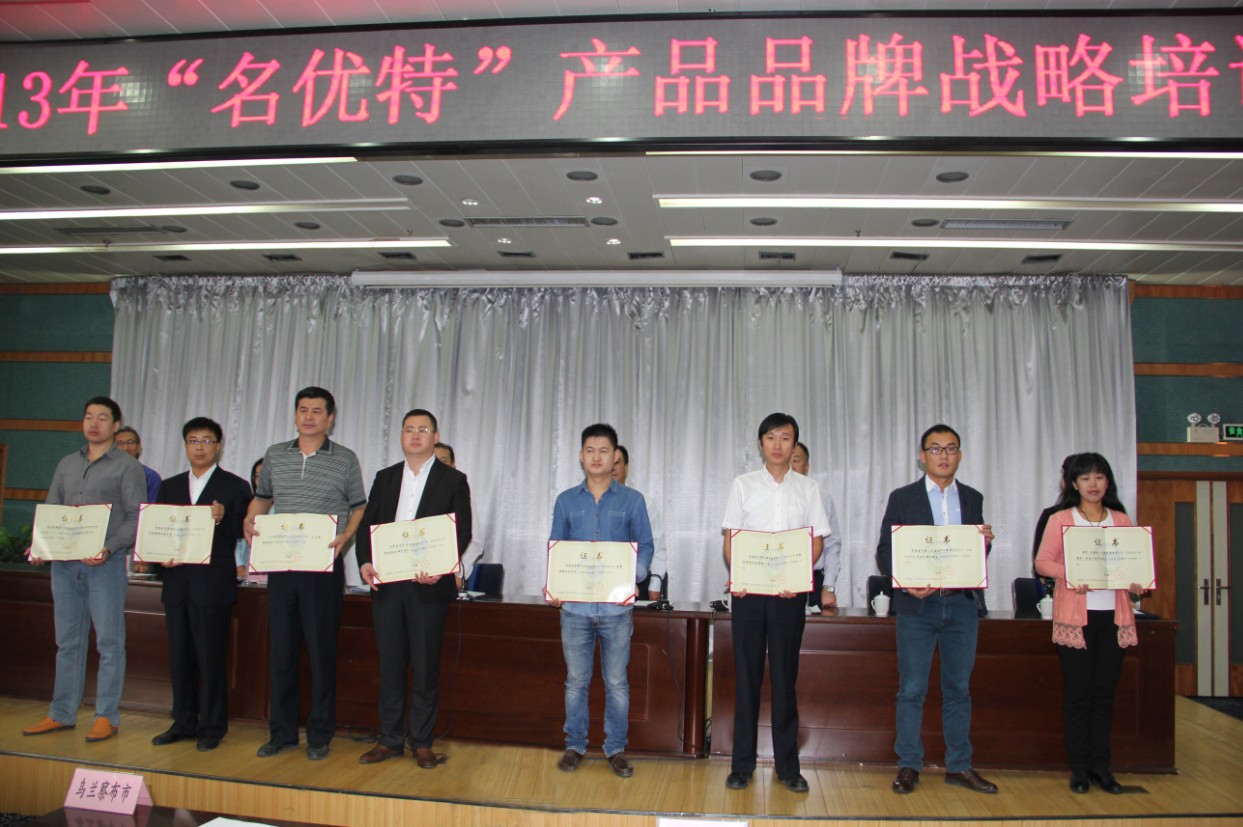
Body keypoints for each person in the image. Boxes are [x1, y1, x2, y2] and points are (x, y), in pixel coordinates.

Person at [244, 387, 367, 761]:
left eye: (317, 411)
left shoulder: (345, 459)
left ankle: (319, 735)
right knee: (281, 652)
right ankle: (281, 734)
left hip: (323, 566)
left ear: (330, 418)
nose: (309, 417)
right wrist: (250, 519)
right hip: (282, 565)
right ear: (295, 415)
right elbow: (263, 497)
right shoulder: (275, 455)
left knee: (320, 651)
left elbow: (358, 506)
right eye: (303, 410)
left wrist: (346, 535)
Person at [876, 424, 998, 795]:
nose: (943, 455)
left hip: (961, 604)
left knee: (958, 689)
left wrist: (984, 543)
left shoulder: (973, 497)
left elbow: (971, 554)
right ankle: (908, 764)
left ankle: (959, 766)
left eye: (950, 448)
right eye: (935, 448)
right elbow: (886, 550)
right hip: (917, 605)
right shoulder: (903, 497)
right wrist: (904, 581)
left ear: (960, 455)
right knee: (912, 688)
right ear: (922, 456)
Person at [23, 397, 146, 742]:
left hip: (104, 566)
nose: (94, 423)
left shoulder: (128, 467)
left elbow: (136, 516)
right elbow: (53, 510)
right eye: (89, 417)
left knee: (109, 643)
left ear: (116, 425)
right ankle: (61, 712)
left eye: (102, 418)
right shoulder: (66, 464)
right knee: (67, 643)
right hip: (64, 567)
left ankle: (107, 716)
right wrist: (39, 545)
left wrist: (108, 547)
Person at [355, 410, 472, 768]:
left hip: (428, 588)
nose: (416, 435)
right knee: (390, 666)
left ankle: (421, 741)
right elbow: (368, 525)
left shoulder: (453, 480)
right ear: (401, 437)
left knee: (425, 667)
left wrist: (440, 566)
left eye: (423, 429)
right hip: (388, 586)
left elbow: (461, 530)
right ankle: (389, 739)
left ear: (435, 436)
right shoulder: (385, 477)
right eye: (409, 429)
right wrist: (364, 561)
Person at [720, 413, 829, 794]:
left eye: (785, 438)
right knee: (747, 678)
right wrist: (741, 576)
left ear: (794, 444)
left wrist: (797, 577)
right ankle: (742, 766)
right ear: (761, 444)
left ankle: (788, 767)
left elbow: (817, 541)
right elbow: (731, 539)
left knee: (785, 680)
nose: (778, 445)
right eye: (771, 437)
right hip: (749, 596)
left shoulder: (809, 489)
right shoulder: (743, 485)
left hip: (789, 597)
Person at [1035, 452, 1146, 795]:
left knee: (1104, 696)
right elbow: (1042, 562)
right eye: (1085, 478)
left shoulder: (1121, 520)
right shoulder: (1060, 519)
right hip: (1076, 619)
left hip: (1114, 617)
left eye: (1099, 477)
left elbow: (1135, 565)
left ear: (1107, 481)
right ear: (1073, 483)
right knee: (1077, 696)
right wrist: (1072, 573)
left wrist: (1138, 581)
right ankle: (1079, 769)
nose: (1093, 484)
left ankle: (1102, 768)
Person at [547, 423, 653, 779]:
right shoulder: (566, 500)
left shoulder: (633, 500)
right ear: (581, 456)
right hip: (574, 609)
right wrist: (555, 583)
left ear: (615, 456)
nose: (596, 457)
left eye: (603, 451)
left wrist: (633, 574)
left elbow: (645, 545)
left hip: (615, 609)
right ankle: (575, 745)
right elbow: (556, 547)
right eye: (590, 450)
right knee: (575, 682)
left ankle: (615, 748)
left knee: (616, 683)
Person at [152, 417, 252, 752]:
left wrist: (224, 518)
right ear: (185, 446)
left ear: (218, 446)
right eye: (193, 441)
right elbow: (158, 531)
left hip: (212, 586)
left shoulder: (235, 486)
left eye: (206, 441)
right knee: (179, 657)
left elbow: (245, 531)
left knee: (210, 659)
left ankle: (212, 725)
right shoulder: (169, 486)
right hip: (177, 584)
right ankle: (183, 722)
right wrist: (160, 558)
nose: (199, 447)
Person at [791, 441, 843, 611]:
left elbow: (832, 545)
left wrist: (829, 586)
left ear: (806, 467)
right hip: (777, 578)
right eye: (787, 460)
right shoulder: (768, 498)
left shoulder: (822, 498)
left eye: (796, 460)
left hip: (814, 580)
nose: (790, 466)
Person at [612, 444, 667, 601]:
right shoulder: (590, 502)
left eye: (618, 462)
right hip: (602, 580)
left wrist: (655, 582)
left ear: (626, 467)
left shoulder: (643, 501)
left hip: (640, 581)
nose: (613, 468)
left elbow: (657, 542)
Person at [433, 442, 485, 588]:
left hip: (449, 578)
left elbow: (474, 542)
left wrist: (459, 574)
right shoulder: (413, 494)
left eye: (443, 461)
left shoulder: (461, 495)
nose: (438, 467)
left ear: (453, 465)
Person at [115, 426, 162, 503]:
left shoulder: (150, 477)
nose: (125, 448)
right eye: (119, 443)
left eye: (130, 442)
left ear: (138, 447)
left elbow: (153, 507)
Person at [235, 459, 264, 580]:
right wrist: (239, 565)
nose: (261, 481)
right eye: (257, 476)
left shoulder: (286, 506)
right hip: (249, 567)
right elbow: (237, 538)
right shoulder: (247, 504)